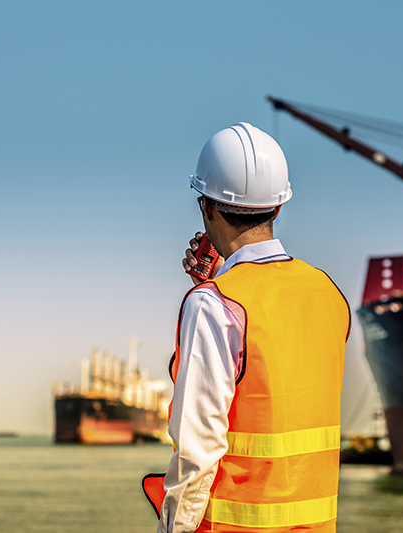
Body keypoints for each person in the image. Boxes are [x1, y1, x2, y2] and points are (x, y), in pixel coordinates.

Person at [144, 122, 350, 533]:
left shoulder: (213, 306)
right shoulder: (327, 292)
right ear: (277, 207)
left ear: (207, 207)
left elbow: (196, 452)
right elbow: (275, 366)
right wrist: (221, 285)